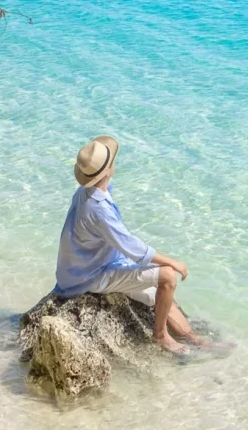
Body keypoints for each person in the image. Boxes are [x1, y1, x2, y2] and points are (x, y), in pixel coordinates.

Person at [55, 136, 208, 354]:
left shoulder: (88, 192)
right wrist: (173, 262)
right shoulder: (98, 209)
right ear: (109, 169)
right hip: (91, 275)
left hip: (85, 267)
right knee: (167, 276)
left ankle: (194, 338)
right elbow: (132, 248)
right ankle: (160, 335)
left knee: (157, 288)